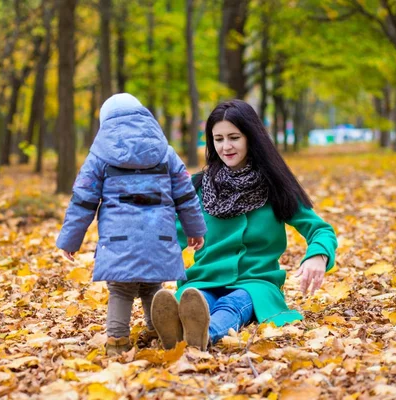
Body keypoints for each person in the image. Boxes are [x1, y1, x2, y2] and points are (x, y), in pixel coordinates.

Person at [151, 100, 338, 351]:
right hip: (204, 280)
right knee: (197, 300)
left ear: (251, 137)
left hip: (256, 284)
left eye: (234, 137)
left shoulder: (276, 187)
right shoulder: (198, 188)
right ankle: (178, 329)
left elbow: (320, 229)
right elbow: (171, 237)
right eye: (218, 139)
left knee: (234, 303)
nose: (226, 146)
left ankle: (203, 335)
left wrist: (318, 256)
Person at [56, 93, 207, 356]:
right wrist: (195, 229)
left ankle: (117, 341)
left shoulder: (100, 156)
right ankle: (158, 331)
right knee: (152, 286)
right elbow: (185, 194)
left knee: (121, 289)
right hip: (158, 236)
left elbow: (83, 199)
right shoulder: (165, 152)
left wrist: (70, 240)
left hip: (119, 239)